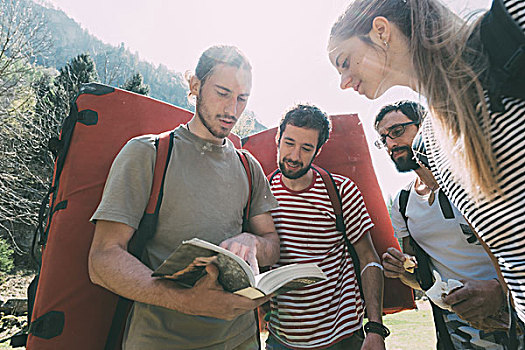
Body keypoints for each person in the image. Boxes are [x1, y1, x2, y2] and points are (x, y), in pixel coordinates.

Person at [327, 0, 525, 326]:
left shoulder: (507, 29)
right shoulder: (431, 144)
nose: (344, 81)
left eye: (345, 61)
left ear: (380, 31)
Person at [88, 45, 280, 350]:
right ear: (195, 85)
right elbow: (102, 259)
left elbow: (273, 245)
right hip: (160, 340)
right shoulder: (147, 153)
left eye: (242, 98)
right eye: (222, 92)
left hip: (241, 340)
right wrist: (187, 301)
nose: (232, 109)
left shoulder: (249, 167)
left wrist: (252, 242)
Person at [376, 100, 512, 349]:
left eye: (397, 132)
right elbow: (419, 277)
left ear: (427, 127)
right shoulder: (403, 203)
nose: (390, 144)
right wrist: (400, 270)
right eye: (383, 139)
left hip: (512, 310)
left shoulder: (475, 175)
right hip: (458, 326)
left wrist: (501, 293)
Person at [265, 104, 387, 350]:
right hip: (282, 339)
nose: (294, 156)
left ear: (318, 150)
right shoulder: (261, 193)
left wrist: (375, 328)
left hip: (343, 336)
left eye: (306, 148)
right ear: (277, 139)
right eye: (289, 143)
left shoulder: (341, 191)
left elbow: (368, 258)